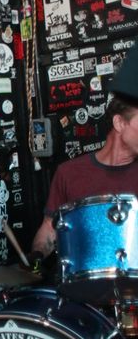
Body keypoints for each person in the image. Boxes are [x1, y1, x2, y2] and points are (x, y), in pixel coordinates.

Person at [30, 93, 138, 264]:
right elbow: (50, 229)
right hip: (85, 277)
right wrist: (37, 255)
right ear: (119, 123)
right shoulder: (69, 173)